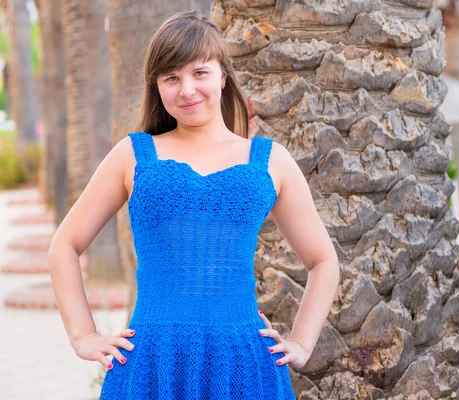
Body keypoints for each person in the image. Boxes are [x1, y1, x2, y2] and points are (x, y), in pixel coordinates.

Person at [47, 10, 340, 399]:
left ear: (222, 75)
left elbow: (324, 261)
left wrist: (302, 343)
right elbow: (63, 246)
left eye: (199, 72)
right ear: (157, 86)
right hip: (153, 362)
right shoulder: (133, 156)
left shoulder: (270, 161)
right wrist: (83, 335)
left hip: (244, 364)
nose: (186, 89)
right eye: (172, 78)